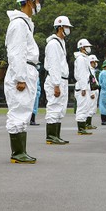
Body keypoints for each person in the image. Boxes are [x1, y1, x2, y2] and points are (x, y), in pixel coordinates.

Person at [5, 0, 43, 162]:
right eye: (37, 0)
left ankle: (21, 151)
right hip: (22, 71)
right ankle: (17, 152)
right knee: (18, 111)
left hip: (27, 69)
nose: (38, 4)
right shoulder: (19, 24)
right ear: (29, 1)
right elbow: (16, 52)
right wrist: (20, 78)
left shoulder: (25, 24)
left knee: (24, 110)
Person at [43, 16, 72, 145]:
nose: (68, 30)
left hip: (62, 79)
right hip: (56, 79)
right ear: (60, 28)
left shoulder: (60, 43)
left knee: (60, 108)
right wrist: (56, 84)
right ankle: (51, 136)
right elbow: (54, 65)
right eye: (67, 27)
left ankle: (56, 135)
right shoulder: (53, 44)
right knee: (54, 106)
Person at [74, 39, 95, 135]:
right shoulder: (81, 59)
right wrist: (83, 88)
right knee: (82, 107)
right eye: (87, 47)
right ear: (82, 47)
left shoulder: (84, 58)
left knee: (85, 107)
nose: (89, 48)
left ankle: (82, 127)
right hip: (82, 86)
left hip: (85, 85)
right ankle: (81, 128)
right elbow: (81, 74)